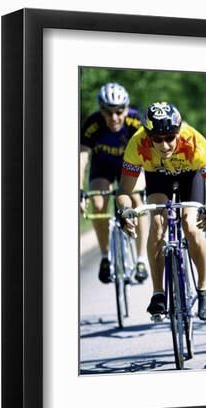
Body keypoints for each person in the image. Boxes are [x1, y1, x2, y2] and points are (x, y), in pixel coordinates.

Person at [115, 102, 206, 321]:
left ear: (178, 132)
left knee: (191, 226)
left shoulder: (193, 141)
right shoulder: (137, 144)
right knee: (156, 226)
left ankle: (204, 288)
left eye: (170, 138)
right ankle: (158, 293)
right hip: (158, 180)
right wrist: (125, 209)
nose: (165, 145)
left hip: (190, 178)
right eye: (157, 139)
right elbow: (124, 191)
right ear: (148, 136)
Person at [79, 82, 149, 284]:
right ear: (101, 110)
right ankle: (104, 256)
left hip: (131, 166)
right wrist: (79, 189)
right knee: (99, 205)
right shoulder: (93, 124)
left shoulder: (136, 121)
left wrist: (148, 179)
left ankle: (141, 259)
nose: (114, 117)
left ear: (126, 108)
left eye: (119, 111)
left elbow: (149, 152)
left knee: (137, 199)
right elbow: (82, 157)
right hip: (103, 166)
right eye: (108, 112)